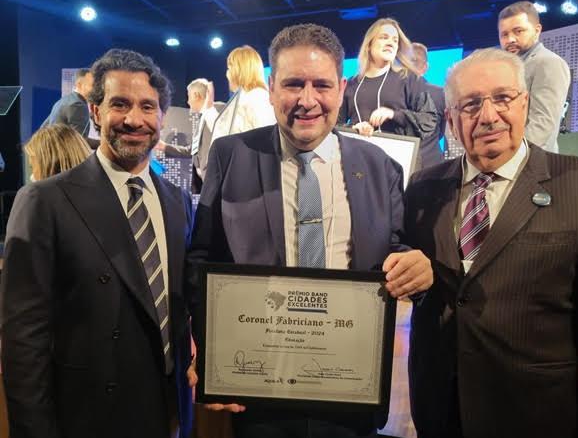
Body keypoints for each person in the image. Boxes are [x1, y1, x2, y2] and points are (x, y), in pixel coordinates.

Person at [186, 23, 433, 438]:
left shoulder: (380, 167)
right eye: (293, 84)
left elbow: (394, 247)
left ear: (340, 87)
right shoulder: (232, 156)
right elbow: (202, 258)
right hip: (256, 391)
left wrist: (415, 267)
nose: (307, 100)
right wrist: (209, 349)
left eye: (321, 85)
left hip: (350, 388)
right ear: (270, 87)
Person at [405, 48, 578, 438]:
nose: (488, 116)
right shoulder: (422, 189)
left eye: (502, 98)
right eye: (470, 104)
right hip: (441, 410)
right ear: (451, 120)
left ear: (524, 104)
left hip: (543, 414)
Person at [0, 48, 195, 438]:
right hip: (84, 417)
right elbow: (23, 338)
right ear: (95, 112)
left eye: (147, 107)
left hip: (165, 412)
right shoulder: (46, 200)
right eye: (119, 104)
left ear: (161, 115)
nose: (134, 119)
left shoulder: (177, 201)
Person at [338, 18, 441, 168]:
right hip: (359, 162)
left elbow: (429, 120)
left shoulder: (409, 78)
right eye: (384, 37)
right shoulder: (352, 84)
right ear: (369, 44)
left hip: (398, 164)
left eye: (394, 40)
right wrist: (353, 129)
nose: (390, 43)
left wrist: (394, 114)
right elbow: (333, 125)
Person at [498, 0, 570, 153]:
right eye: (504, 34)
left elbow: (542, 123)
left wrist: (510, 157)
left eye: (518, 31)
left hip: (532, 163)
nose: (510, 39)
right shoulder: (507, 68)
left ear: (537, 30)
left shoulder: (548, 62)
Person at [155, 78, 225, 193]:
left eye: (189, 96)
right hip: (204, 181)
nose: (188, 102)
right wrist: (164, 147)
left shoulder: (219, 110)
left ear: (196, 95)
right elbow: (192, 150)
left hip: (217, 179)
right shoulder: (201, 119)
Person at [210, 45, 276, 141]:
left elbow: (265, 139)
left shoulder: (258, 97)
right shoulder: (240, 99)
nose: (227, 74)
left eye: (229, 68)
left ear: (240, 70)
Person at [41, 68, 99, 149]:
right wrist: (103, 145)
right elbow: (80, 142)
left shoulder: (62, 101)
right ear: (79, 85)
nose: (95, 90)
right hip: (66, 159)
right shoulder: (78, 105)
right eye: (92, 85)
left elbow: (43, 128)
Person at [24, 123, 91, 181]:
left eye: (32, 167)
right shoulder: (97, 188)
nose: (31, 177)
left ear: (51, 167)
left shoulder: (35, 194)